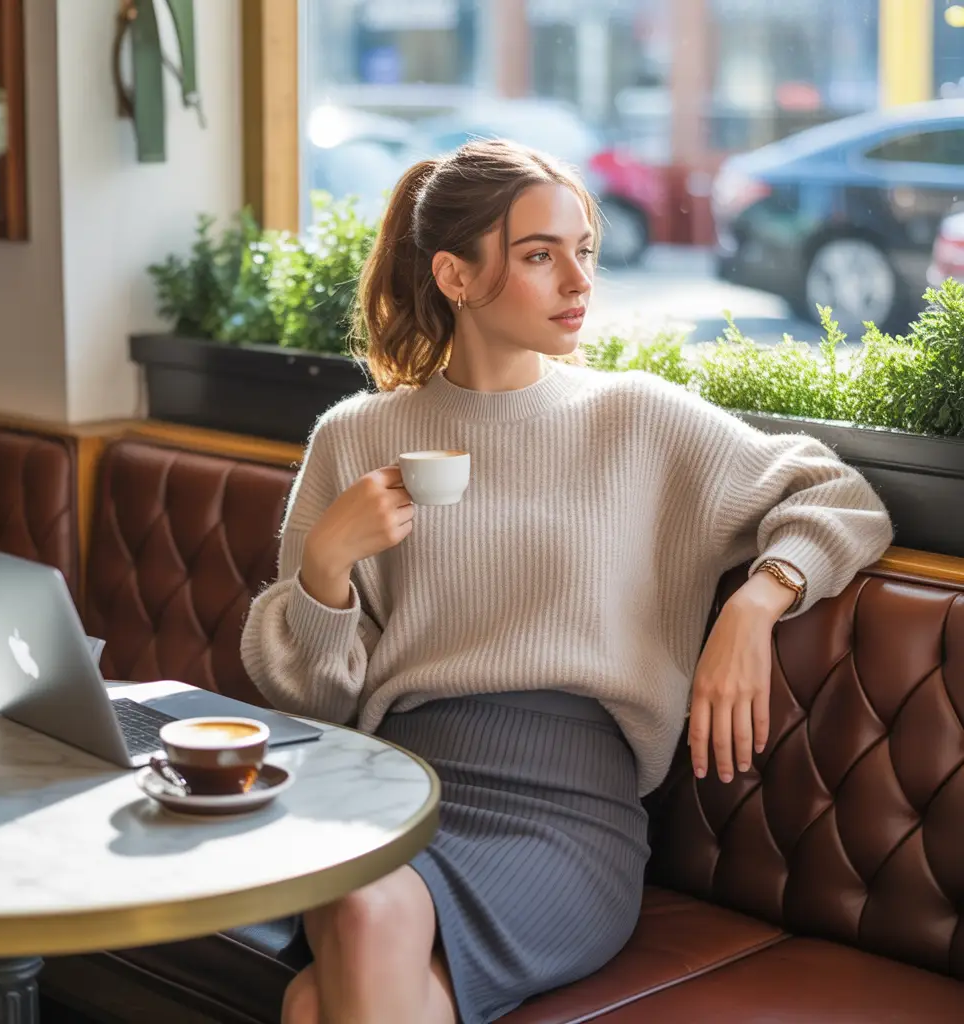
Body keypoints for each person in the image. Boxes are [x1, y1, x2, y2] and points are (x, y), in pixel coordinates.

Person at [240, 138, 893, 1024]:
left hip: (569, 812)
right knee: (327, 977)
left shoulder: (636, 417)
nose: (579, 282)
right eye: (540, 256)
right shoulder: (355, 437)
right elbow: (313, 702)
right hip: (394, 783)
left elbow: (838, 496)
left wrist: (757, 598)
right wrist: (323, 568)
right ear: (455, 276)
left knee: (333, 969)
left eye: (583, 251)